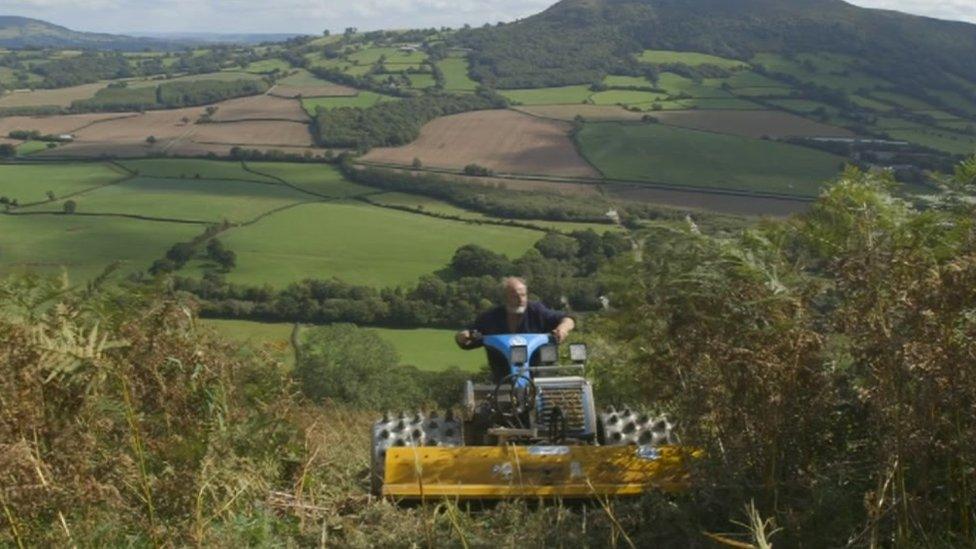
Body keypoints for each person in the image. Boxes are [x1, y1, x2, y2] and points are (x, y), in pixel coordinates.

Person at [455, 277, 575, 381]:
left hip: (541, 378)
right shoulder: (490, 318)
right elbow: (468, 336)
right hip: (504, 381)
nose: (521, 300)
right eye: (515, 296)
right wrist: (462, 336)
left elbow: (568, 318)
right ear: (505, 298)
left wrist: (563, 329)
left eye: (523, 295)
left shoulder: (537, 311)